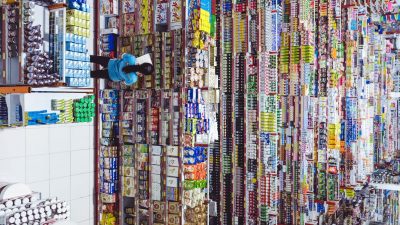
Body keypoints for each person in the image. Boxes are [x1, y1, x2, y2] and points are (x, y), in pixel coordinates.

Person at [90, 53, 154, 85]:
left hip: (111, 63)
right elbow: (124, 82)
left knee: (92, 58)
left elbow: (122, 55)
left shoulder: (132, 58)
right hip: (112, 76)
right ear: (142, 74)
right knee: (93, 74)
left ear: (142, 63)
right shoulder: (133, 79)